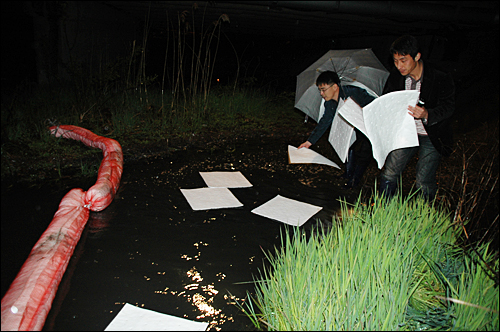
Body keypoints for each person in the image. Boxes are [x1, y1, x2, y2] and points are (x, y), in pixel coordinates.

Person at [379, 35, 455, 200]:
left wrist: (428, 114)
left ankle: (424, 215)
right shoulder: (396, 76)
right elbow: (386, 99)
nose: (399, 66)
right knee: (390, 173)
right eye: (395, 61)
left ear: (417, 56)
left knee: (423, 180)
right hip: (406, 133)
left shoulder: (439, 76)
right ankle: (383, 210)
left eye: (403, 60)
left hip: (431, 134)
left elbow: (449, 106)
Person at [298, 71, 375, 189]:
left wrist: (358, 108)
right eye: (320, 90)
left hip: (371, 126)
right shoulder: (329, 103)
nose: (321, 94)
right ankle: (348, 174)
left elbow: (375, 105)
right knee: (350, 146)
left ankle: (354, 181)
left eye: (323, 89)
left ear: (335, 87)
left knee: (364, 151)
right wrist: (309, 142)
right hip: (354, 128)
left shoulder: (354, 92)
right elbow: (325, 121)